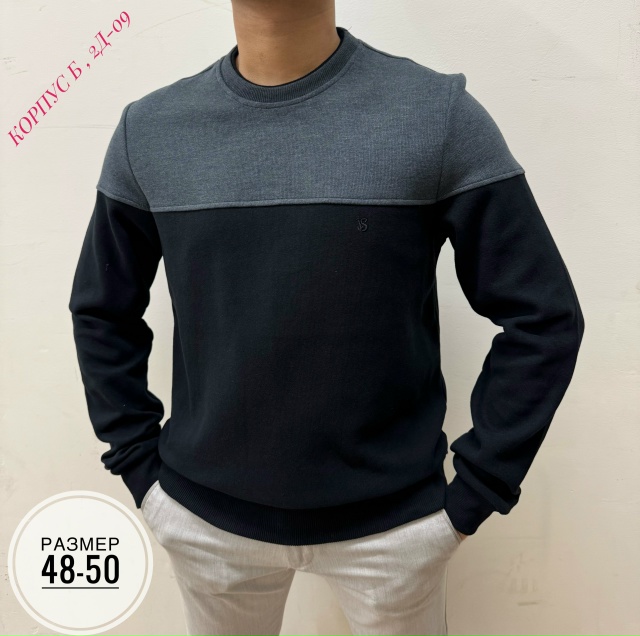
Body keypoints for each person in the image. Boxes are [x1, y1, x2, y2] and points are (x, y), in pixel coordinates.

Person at [68, 1, 585, 634]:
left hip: (394, 533)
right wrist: (140, 470)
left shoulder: (436, 116)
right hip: (205, 522)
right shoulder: (150, 131)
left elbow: (544, 317)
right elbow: (102, 310)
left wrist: (474, 493)